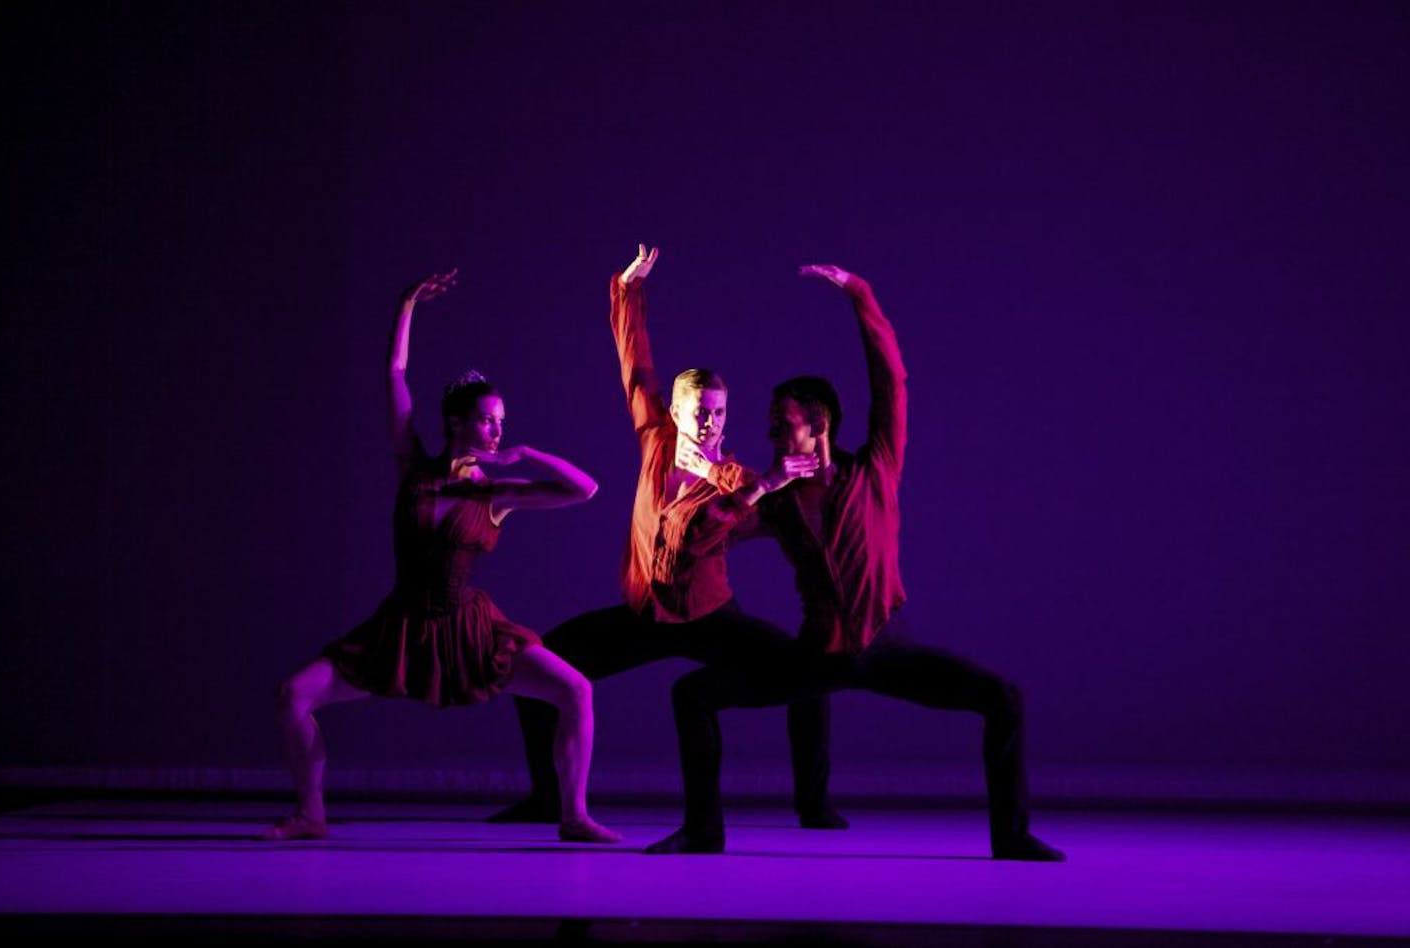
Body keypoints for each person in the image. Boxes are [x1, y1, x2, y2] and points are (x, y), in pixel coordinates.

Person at [645, 264, 1064, 861]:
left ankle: (1013, 836)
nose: (769, 432)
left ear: (819, 425)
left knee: (1003, 699)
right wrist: (756, 489)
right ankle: (705, 831)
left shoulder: (875, 471)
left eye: (780, 423)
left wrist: (859, 295)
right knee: (694, 694)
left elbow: (890, 380)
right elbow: (704, 540)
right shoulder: (779, 498)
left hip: (885, 646)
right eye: (769, 424)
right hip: (818, 654)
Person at [488, 246, 845, 831]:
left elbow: (748, 509)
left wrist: (751, 478)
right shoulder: (655, 441)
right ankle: (548, 798)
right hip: (643, 616)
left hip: (710, 617)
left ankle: (815, 802)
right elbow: (636, 365)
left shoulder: (736, 478)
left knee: (809, 677)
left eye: (721, 413)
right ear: (676, 413)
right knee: (537, 670)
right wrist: (628, 291)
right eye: (700, 411)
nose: (711, 423)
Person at [264, 269, 619, 844]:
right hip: (401, 627)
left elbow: (586, 489)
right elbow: (395, 374)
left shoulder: (494, 494)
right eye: (487, 420)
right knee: (293, 695)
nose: (497, 431)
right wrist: (406, 304)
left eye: (502, 423)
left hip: (472, 631)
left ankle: (574, 815)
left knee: (577, 689)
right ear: (456, 422)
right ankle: (311, 815)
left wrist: (524, 453)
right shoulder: (415, 469)